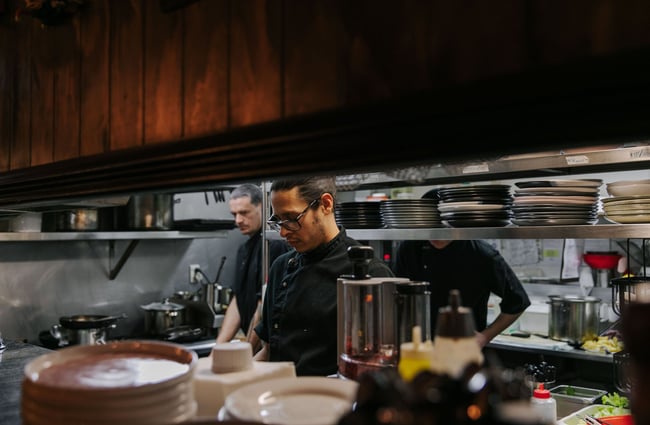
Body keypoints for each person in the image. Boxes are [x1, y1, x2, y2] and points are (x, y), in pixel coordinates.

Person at [253, 176, 394, 376]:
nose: (283, 232)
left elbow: (378, 370)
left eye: (292, 219)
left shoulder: (370, 274)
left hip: (332, 401)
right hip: (278, 399)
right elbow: (268, 352)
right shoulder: (280, 267)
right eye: (278, 220)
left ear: (326, 204)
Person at [392, 191, 531, 348]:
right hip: (416, 347)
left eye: (443, 227)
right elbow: (396, 297)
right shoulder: (409, 248)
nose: (436, 234)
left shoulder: (482, 254)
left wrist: (485, 337)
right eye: (430, 225)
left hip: (462, 349)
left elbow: (517, 301)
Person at [216, 183, 290, 347]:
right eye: (234, 214)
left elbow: (261, 306)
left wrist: (248, 352)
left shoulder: (274, 244)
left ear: (262, 207)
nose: (238, 220)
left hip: (263, 346)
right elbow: (238, 300)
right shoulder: (244, 249)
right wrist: (218, 347)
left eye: (244, 213)